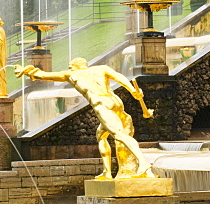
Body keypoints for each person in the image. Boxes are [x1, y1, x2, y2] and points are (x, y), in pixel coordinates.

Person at [15, 58, 154, 180]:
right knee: (101, 135)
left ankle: (143, 163)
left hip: (101, 104)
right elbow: (120, 77)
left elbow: (43, 75)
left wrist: (26, 70)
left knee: (119, 135)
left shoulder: (71, 74)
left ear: (74, 66)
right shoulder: (101, 69)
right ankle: (107, 172)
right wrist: (133, 90)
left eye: (70, 65)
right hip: (115, 102)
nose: (69, 68)